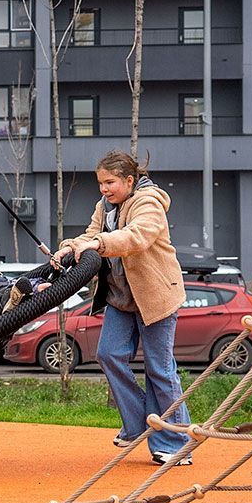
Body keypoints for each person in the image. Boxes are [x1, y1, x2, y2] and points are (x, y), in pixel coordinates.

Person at [57, 150, 192, 467]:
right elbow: (90, 235)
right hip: (121, 298)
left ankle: (177, 443)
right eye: (100, 183)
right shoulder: (104, 206)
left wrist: (98, 244)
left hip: (155, 298)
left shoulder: (149, 202)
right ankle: (137, 426)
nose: (104, 189)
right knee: (108, 354)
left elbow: (136, 236)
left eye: (110, 182)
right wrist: (69, 247)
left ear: (129, 180)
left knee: (160, 370)